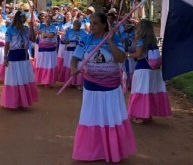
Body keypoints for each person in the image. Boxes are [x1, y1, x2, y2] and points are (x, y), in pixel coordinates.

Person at [70, 12, 136, 162]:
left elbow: (120, 58)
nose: (91, 26)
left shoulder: (115, 37)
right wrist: (73, 67)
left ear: (103, 25)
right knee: (91, 118)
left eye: (95, 23)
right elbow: (75, 57)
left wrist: (111, 41)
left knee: (110, 118)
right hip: (91, 86)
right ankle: (92, 151)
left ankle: (112, 150)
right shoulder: (86, 39)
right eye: (91, 23)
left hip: (111, 88)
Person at [127, 19, 172, 124]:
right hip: (154, 71)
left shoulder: (140, 40)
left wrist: (127, 55)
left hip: (142, 70)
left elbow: (138, 54)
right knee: (149, 92)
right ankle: (148, 114)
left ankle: (140, 116)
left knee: (140, 92)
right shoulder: (152, 42)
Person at [0, 11, 38, 110]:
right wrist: (5, 57)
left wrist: (31, 28)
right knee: (14, 79)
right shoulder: (10, 30)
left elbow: (33, 39)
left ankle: (23, 102)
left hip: (24, 56)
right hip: (13, 55)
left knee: (24, 78)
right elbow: (7, 44)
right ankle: (13, 102)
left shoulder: (26, 29)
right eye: (22, 17)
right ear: (18, 18)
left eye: (24, 18)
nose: (24, 19)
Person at [58, 19, 87, 88]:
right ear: (73, 25)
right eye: (76, 25)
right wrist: (66, 41)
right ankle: (70, 82)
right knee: (69, 66)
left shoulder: (83, 33)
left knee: (79, 66)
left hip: (79, 52)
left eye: (79, 25)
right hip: (69, 51)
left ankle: (78, 83)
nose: (78, 26)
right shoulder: (68, 31)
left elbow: (87, 41)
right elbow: (64, 40)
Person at [34, 13, 58, 87]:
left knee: (49, 66)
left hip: (51, 50)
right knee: (42, 65)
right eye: (46, 18)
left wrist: (42, 33)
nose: (47, 20)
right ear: (43, 19)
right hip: (42, 49)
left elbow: (51, 36)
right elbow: (33, 24)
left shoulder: (54, 27)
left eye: (49, 18)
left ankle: (48, 82)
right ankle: (42, 80)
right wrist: (32, 11)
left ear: (51, 20)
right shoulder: (41, 26)